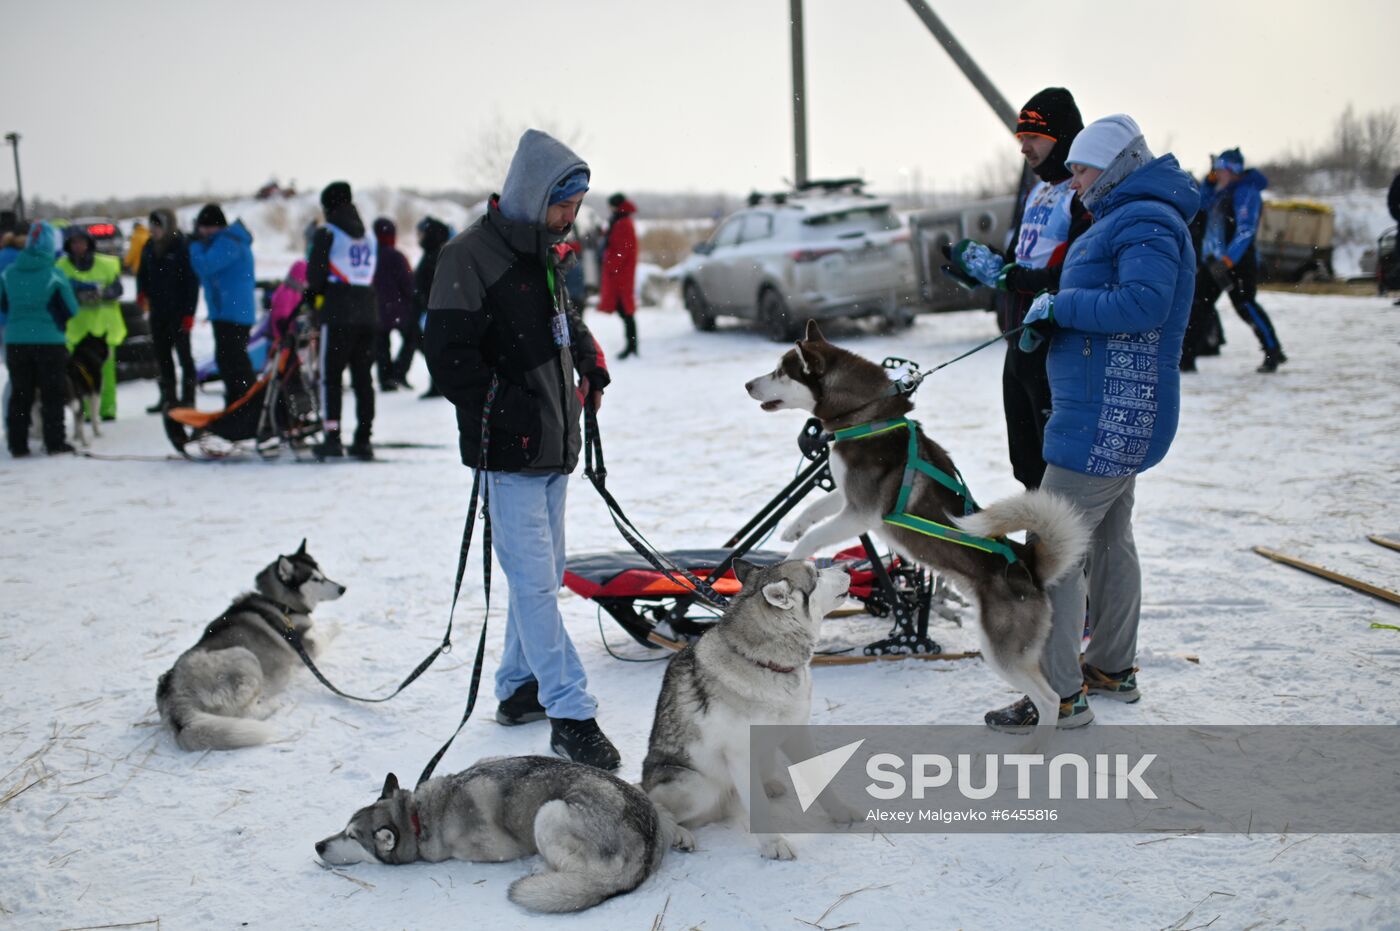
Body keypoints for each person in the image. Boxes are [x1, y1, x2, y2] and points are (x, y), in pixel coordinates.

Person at [983, 115, 1200, 731]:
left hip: (1107, 413)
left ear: (1114, 165)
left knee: (1051, 551)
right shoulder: (1127, 216)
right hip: (1107, 407)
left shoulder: (1145, 220)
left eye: (1080, 168)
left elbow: (1144, 304)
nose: (1072, 180)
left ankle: (1059, 695)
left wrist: (1062, 306)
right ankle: (1111, 666)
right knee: (1106, 539)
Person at [424, 129, 616, 770]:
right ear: (534, 196)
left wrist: (587, 358)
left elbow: (566, 321)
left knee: (539, 577)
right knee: (536, 585)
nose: (574, 216)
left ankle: (517, 687)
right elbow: (450, 363)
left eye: (580, 203)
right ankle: (570, 711)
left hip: (552, 449)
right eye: (566, 203)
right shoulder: (467, 258)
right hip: (508, 456)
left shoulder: (542, 255)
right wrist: (517, 417)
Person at [945, 87, 1091, 489]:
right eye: (1020, 138)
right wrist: (982, 266)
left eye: (1033, 137)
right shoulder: (1038, 190)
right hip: (1016, 343)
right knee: (1026, 463)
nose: (1024, 147)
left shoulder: (1079, 195)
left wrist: (1013, 279)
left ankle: (1063, 546)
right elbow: (1018, 259)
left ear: (1061, 135)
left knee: (1055, 463)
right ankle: (1036, 543)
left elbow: (1071, 274)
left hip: (1051, 345)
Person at [1182, 148, 1286, 373]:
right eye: (1216, 171)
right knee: (1198, 305)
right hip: (1213, 261)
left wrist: (1229, 260)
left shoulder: (1245, 191)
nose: (1218, 174)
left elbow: (1246, 231)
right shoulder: (1220, 191)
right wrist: (1208, 181)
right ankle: (1185, 358)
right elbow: (1201, 203)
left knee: (1245, 305)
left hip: (1237, 262)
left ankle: (1273, 351)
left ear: (1233, 171)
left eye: (1221, 170)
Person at [305, 181, 378, 459]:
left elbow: (315, 277)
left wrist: (313, 298)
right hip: (368, 313)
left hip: (338, 313)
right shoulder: (367, 234)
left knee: (331, 378)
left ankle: (332, 436)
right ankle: (364, 438)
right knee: (363, 379)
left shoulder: (328, 233)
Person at [1, 222, 79, 456]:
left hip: (16, 340)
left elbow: (3, 304)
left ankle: (18, 444)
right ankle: (55, 442)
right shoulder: (55, 274)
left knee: (21, 393)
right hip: (49, 341)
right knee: (52, 393)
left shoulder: (9, 273)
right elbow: (71, 309)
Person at [188, 203, 257, 407]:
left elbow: (204, 266)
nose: (200, 232)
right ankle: (240, 403)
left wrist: (195, 246)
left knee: (234, 363)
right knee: (230, 361)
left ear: (213, 226)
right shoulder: (227, 241)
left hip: (231, 313)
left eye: (202, 227)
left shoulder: (227, 242)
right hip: (228, 312)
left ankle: (244, 404)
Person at [57, 227, 125, 420]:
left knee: (106, 374)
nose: (78, 246)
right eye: (74, 242)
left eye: (82, 242)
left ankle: (107, 409)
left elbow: (118, 288)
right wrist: (78, 296)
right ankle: (85, 411)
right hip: (76, 330)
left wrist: (103, 294)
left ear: (89, 243)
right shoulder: (61, 266)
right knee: (78, 374)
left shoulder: (107, 264)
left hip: (104, 329)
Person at [137, 209, 200, 411]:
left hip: (179, 312)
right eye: (152, 226)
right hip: (158, 311)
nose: (154, 230)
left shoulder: (181, 246)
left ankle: (188, 398)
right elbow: (142, 273)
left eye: (158, 226)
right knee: (162, 355)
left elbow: (191, 282)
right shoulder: (149, 246)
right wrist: (141, 291)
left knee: (184, 356)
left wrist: (190, 312)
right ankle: (168, 397)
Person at [370, 217, 417, 391]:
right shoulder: (397, 256)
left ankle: (385, 378)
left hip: (376, 310)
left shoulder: (370, 256)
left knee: (382, 345)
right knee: (411, 339)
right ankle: (398, 373)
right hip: (398, 309)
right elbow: (408, 282)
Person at [596, 193, 639, 358]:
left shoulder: (622, 222)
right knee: (625, 310)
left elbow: (622, 250)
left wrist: (610, 265)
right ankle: (631, 345)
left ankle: (632, 346)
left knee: (626, 310)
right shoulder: (620, 220)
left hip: (621, 274)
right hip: (621, 273)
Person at [413, 216, 451, 399]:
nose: (418, 237)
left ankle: (438, 385)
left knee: (435, 350)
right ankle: (437, 384)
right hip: (430, 309)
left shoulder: (435, 256)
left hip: (433, 310)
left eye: (421, 233)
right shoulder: (435, 254)